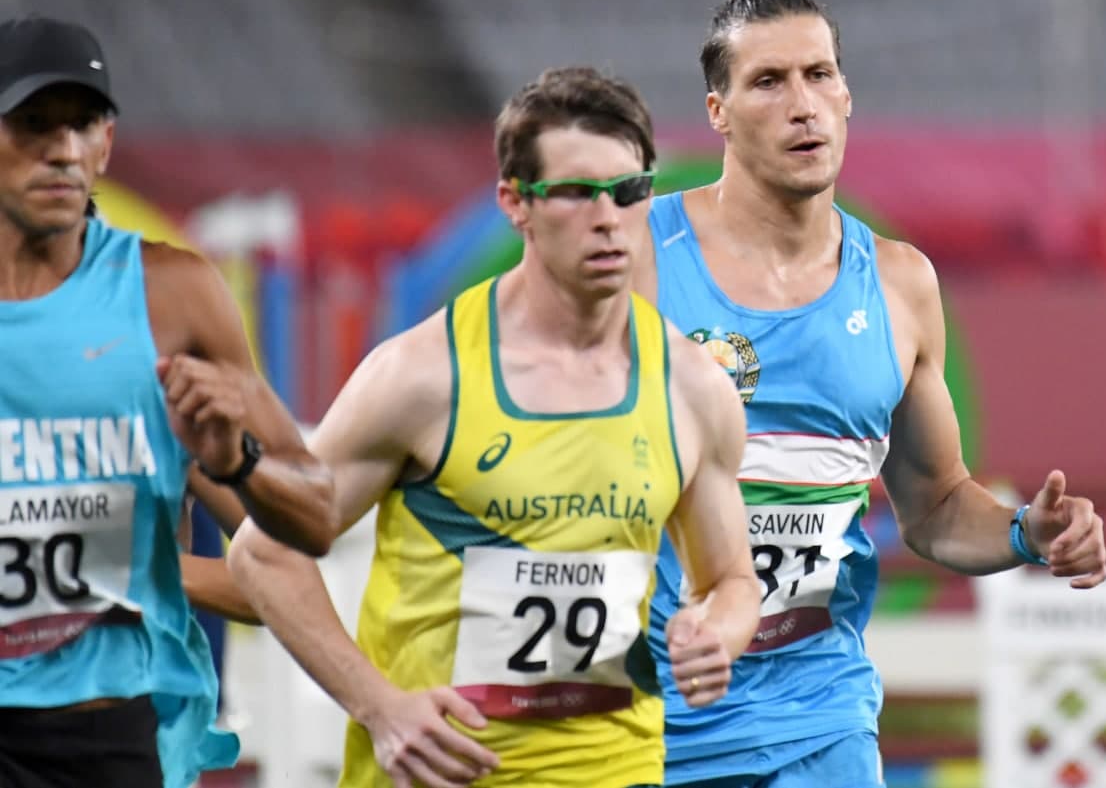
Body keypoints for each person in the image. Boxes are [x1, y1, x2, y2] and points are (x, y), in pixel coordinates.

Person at [634, 0, 1106, 788]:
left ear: (847, 94)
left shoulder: (900, 283)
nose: (802, 104)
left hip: (821, 720)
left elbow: (936, 506)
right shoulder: (636, 260)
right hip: (649, 726)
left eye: (819, 74)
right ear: (718, 112)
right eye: (768, 82)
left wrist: (1024, 534)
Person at [227, 66, 761, 788]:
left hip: (617, 769)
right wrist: (379, 707)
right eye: (575, 192)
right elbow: (264, 553)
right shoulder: (422, 377)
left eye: (629, 190)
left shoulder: (692, 386)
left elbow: (729, 579)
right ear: (516, 202)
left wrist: (716, 632)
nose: (608, 217)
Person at [0, 16, 336, 788]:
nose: (63, 149)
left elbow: (312, 522)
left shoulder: (171, 297)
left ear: (108, 143)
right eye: (34, 124)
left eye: (83, 124)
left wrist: (233, 464)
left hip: (103, 737)